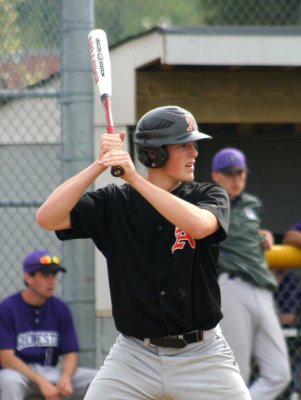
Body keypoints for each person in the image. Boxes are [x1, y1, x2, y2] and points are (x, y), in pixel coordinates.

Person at [36, 106, 251, 400]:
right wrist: (99, 164)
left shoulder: (207, 195)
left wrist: (135, 179)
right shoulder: (114, 203)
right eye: (183, 145)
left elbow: (200, 226)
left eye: (193, 144)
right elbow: (47, 217)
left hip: (203, 354)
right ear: (155, 153)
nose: (195, 152)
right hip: (134, 356)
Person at [211, 147, 291, 400]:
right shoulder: (208, 204)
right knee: (238, 374)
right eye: (229, 173)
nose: (236, 179)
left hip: (263, 289)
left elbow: (245, 230)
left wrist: (262, 234)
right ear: (216, 175)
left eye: (240, 173)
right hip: (231, 287)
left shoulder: (252, 204)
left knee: (279, 373)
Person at [0, 249, 97, 400]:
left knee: (98, 379)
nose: (51, 280)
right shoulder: (7, 308)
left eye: (54, 275)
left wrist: (65, 377)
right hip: (19, 373)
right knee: (9, 380)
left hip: (50, 372)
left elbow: (70, 353)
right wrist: (41, 381)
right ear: (28, 277)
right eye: (45, 275)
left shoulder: (60, 308)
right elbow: (6, 358)